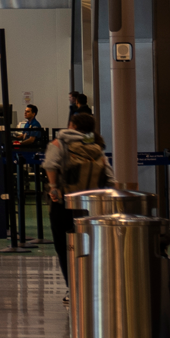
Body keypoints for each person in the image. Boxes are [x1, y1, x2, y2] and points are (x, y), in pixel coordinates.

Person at [43, 111, 114, 285]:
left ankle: (72, 287)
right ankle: (92, 285)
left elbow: (50, 165)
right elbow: (109, 175)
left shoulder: (60, 143)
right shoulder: (96, 145)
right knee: (92, 245)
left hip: (64, 203)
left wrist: (53, 188)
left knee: (64, 246)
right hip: (92, 205)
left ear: (72, 125)